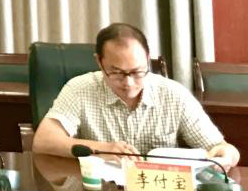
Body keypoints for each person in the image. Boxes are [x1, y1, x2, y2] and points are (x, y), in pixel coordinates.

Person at [32, 23, 240, 166]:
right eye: (117, 73)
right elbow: (43, 140)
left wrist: (226, 155)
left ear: (147, 59)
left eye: (137, 72)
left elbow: (222, 148)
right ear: (99, 62)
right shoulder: (79, 89)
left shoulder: (173, 94)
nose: (128, 83)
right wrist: (103, 149)